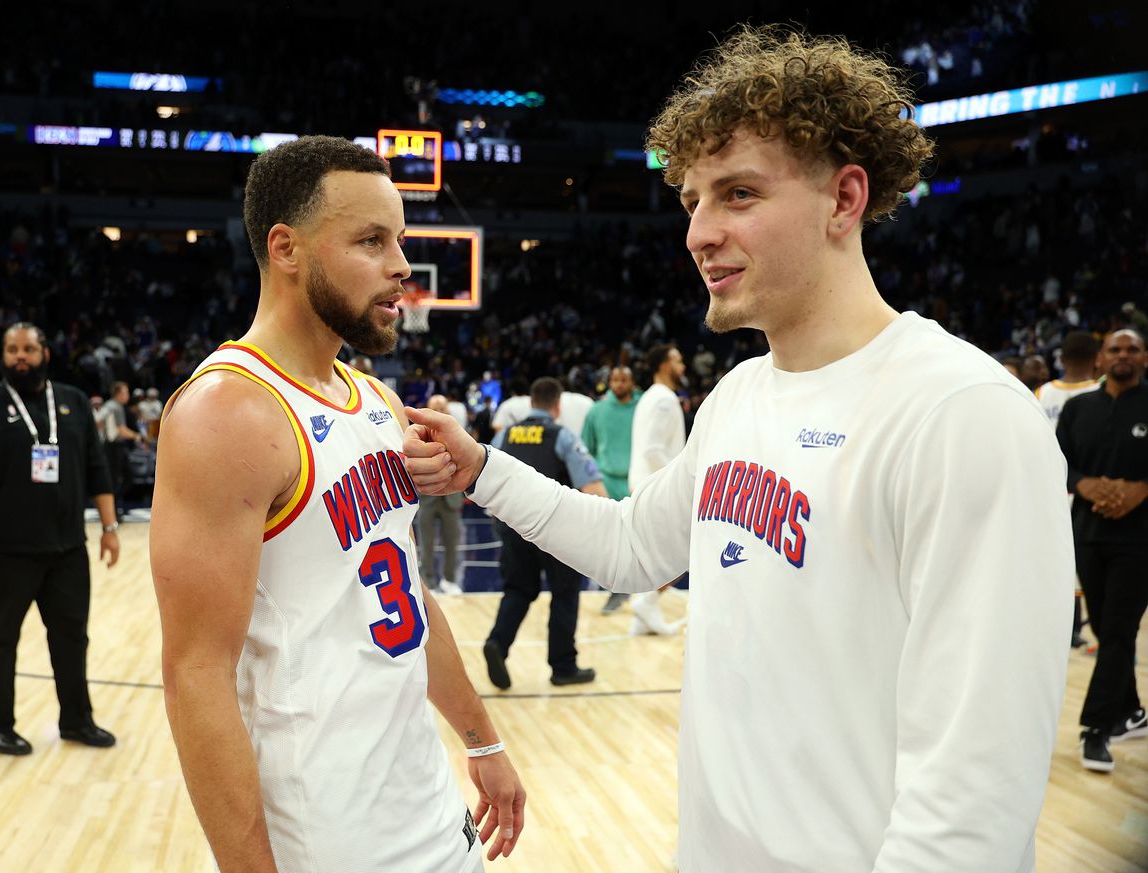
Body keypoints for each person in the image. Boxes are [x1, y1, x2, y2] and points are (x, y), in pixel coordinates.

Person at [404, 26, 1071, 872]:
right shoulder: (740, 394)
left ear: (844, 198)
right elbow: (630, 546)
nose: (699, 233)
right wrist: (483, 469)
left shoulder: (962, 414)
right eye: (691, 202)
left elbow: (974, 796)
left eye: (739, 195)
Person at [149, 135, 524, 872]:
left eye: (400, 239)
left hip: (429, 805)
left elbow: (406, 593)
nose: (402, 265)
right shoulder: (224, 413)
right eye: (370, 240)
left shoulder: (376, 397)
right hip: (326, 834)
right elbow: (195, 673)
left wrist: (482, 739)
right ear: (286, 248)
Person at [0, 322, 119, 756]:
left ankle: (77, 720)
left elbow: (97, 468)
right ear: (3, 356)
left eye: (27, 348)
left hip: (67, 550)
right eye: (11, 350)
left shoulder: (73, 402)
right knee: (0, 639)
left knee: (71, 637)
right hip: (7, 553)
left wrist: (109, 527)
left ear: (46, 352)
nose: (19, 357)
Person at [1055, 328, 1148, 773]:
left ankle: (1095, 728)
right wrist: (1084, 484)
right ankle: (1131, 711)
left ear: (1145, 357)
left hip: (1139, 541)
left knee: (1117, 630)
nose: (1123, 355)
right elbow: (1058, 460)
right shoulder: (1077, 409)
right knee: (1109, 633)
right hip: (1086, 535)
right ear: (1100, 359)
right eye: (1115, 349)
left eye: (1132, 349)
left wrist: (1140, 490)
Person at [483, 377, 606, 690]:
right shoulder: (561, 435)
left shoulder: (506, 436)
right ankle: (563, 666)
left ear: (531, 403)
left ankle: (498, 642)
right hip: (555, 529)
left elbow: (487, 478)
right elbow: (591, 486)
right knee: (564, 593)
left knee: (518, 591)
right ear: (557, 405)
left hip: (513, 527)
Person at [1035, 330, 1101, 647]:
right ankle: (1084, 629)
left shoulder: (1041, 393)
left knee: (1052, 564)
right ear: (1098, 358)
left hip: (1050, 488)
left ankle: (1061, 628)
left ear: (1061, 357)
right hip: (1091, 488)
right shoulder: (1104, 391)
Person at [626, 344, 688, 635]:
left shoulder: (650, 396)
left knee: (657, 555)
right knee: (683, 551)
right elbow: (653, 449)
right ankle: (648, 601)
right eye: (677, 360)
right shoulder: (664, 399)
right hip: (657, 486)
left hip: (644, 483)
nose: (683, 366)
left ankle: (642, 620)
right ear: (663, 365)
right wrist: (679, 479)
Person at [579, 365, 643, 614]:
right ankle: (617, 589)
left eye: (623, 379)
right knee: (611, 540)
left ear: (632, 382)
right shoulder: (597, 411)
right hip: (607, 481)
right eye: (614, 379)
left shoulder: (643, 407)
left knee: (641, 539)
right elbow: (586, 448)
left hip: (638, 480)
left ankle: (642, 591)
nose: (618, 384)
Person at [416, 394, 466, 595]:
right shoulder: (418, 436)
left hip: (451, 498)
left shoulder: (459, 435)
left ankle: (450, 580)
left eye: (442, 408)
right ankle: (429, 582)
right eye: (434, 408)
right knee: (426, 544)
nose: (439, 411)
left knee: (452, 542)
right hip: (427, 498)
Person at [100, 381, 141, 519]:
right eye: (126, 392)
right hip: (113, 447)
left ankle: (114, 508)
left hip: (111, 446)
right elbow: (121, 430)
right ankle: (112, 511)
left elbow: (98, 422)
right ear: (118, 393)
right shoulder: (116, 407)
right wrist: (136, 436)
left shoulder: (108, 405)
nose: (127, 395)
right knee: (120, 478)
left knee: (121, 477)